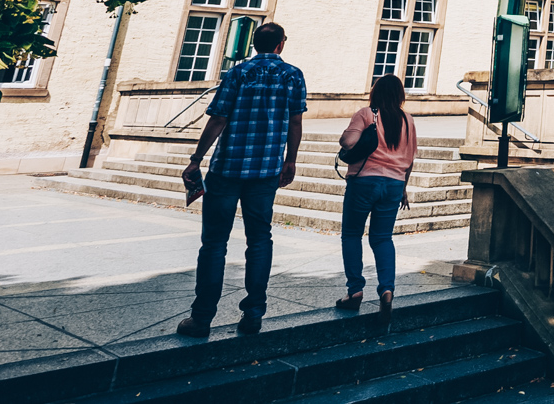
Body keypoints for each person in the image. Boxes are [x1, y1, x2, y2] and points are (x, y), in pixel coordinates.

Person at [176, 21, 306, 337]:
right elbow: (295, 121)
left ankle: (202, 317)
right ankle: (253, 315)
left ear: (255, 45)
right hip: (265, 172)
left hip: (227, 169)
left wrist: (196, 159)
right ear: (280, 45)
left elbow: (218, 119)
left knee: (214, 243)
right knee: (259, 240)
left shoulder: (237, 73)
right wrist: (290, 159)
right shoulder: (293, 75)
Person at [337, 73, 418, 315]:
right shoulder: (408, 120)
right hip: (394, 185)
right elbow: (410, 158)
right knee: (382, 238)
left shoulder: (366, 114)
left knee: (351, 235)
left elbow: (348, 142)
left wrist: (350, 134)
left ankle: (355, 291)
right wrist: (403, 187)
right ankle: (387, 290)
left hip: (364, 182)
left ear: (376, 93)